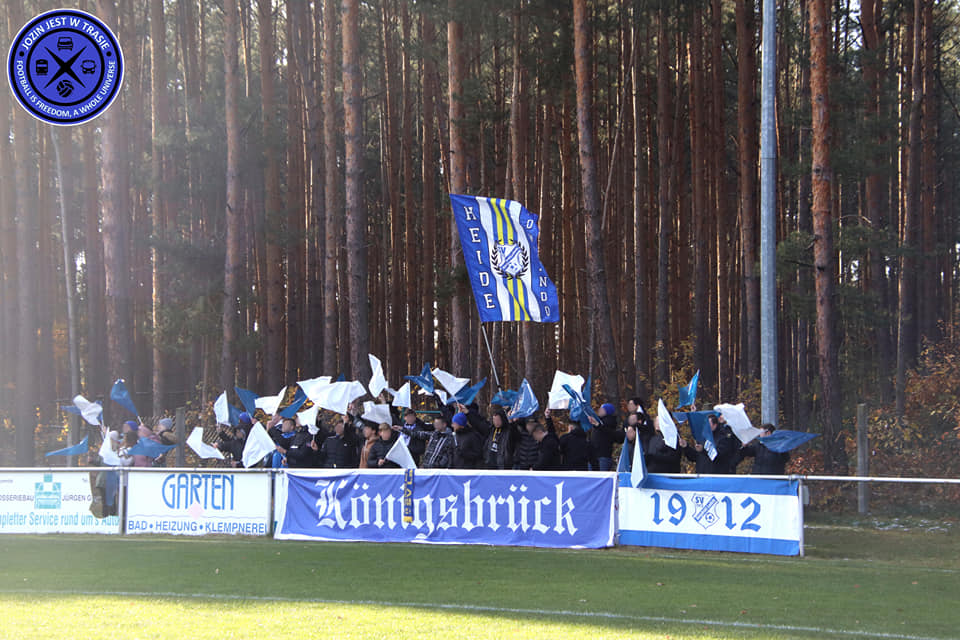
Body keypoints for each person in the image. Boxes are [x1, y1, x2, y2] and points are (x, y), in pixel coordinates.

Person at [587, 402, 623, 471]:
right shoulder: (598, 422)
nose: (599, 410)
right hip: (594, 454)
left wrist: (598, 425)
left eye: (602, 409)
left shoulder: (609, 423)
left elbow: (609, 433)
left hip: (603, 455)